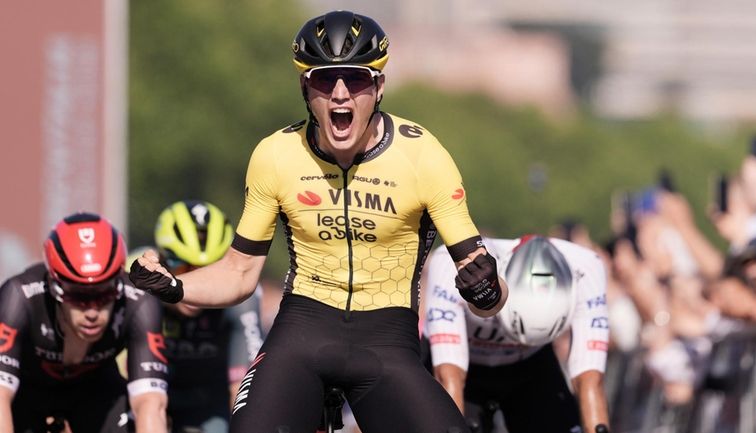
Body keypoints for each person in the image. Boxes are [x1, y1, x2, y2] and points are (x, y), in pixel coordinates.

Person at [129, 10, 508, 433]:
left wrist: (487, 288)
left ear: (379, 86)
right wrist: (177, 286)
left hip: (386, 343)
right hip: (302, 333)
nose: (341, 94)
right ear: (305, 87)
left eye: (357, 79)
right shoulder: (276, 155)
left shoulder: (424, 157)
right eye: (324, 80)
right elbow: (239, 273)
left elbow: (488, 300)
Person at [0, 212, 168, 433]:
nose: (92, 311)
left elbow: (150, 404)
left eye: (104, 294)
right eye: (78, 296)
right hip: (27, 391)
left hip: (96, 390)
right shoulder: (19, 297)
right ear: (55, 286)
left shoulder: (139, 301)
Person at [424, 235, 610, 433]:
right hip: (463, 367)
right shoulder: (456, 264)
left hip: (531, 364)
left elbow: (590, 381)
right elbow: (448, 377)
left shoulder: (587, 270)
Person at [149, 200, 264, 433]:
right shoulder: (140, 286)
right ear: (162, 261)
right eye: (184, 269)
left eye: (209, 270)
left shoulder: (241, 299)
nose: (197, 283)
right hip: (149, 393)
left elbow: (242, 389)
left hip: (210, 403)